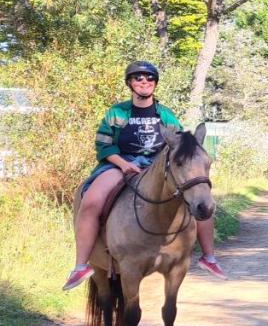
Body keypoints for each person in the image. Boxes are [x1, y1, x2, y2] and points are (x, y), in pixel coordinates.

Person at [62, 61, 227, 291]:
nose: (144, 82)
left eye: (149, 79)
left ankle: (209, 257)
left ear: (155, 84)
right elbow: (103, 145)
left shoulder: (165, 115)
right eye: (138, 78)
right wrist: (123, 164)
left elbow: (178, 144)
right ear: (130, 83)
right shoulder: (117, 112)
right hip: (120, 164)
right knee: (91, 202)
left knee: (202, 199)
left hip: (157, 167)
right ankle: (81, 265)